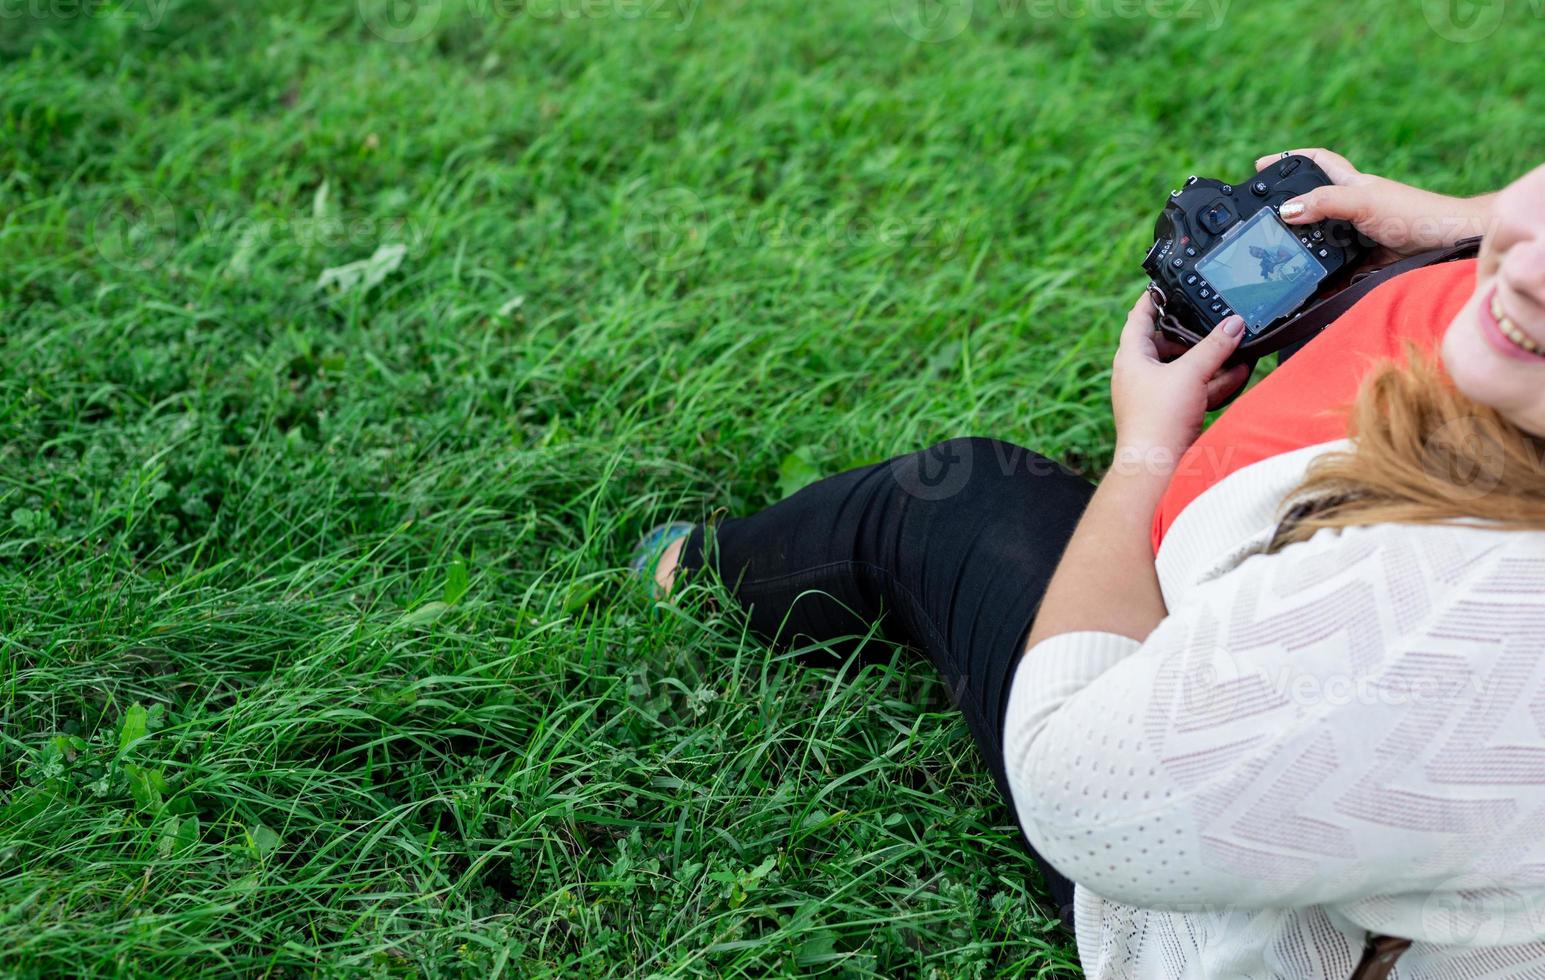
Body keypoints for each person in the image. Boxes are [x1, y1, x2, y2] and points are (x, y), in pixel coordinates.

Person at [633, 149, 1545, 978]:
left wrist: (1146, 452)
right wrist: (1452, 226)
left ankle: (692, 573)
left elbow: (1079, 790)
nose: (1531, 264)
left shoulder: (1439, 610)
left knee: (952, 500)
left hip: (1241, 940)